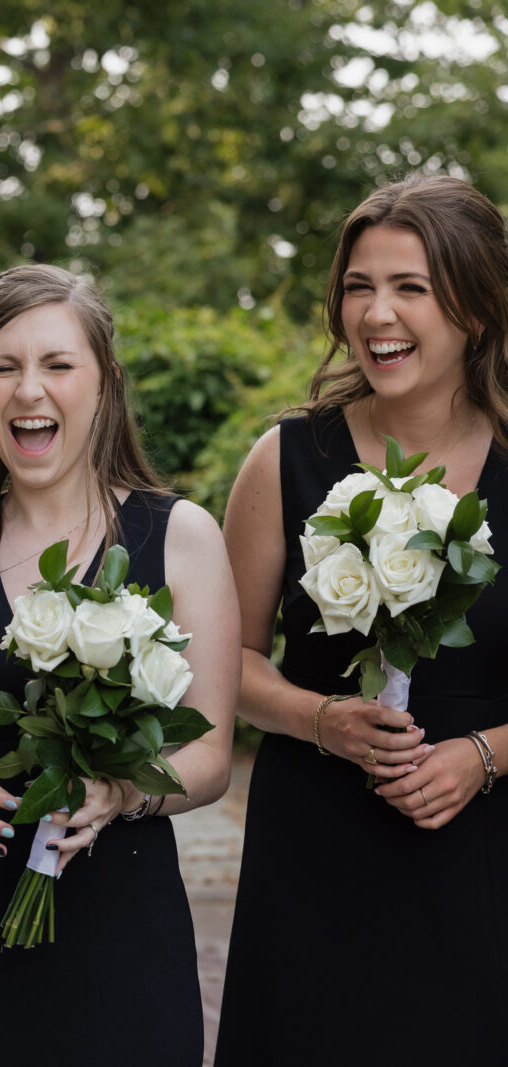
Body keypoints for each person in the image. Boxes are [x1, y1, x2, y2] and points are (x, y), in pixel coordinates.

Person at [0, 264, 239, 1064]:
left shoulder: (179, 535)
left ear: (103, 383)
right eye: (3, 367)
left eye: (57, 365)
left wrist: (123, 792)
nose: (28, 390)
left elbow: (210, 756)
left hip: (116, 928)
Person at [216, 175, 508, 1062]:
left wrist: (485, 754)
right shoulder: (286, 458)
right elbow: (223, 661)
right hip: (315, 853)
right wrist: (319, 719)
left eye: (410, 288)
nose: (376, 313)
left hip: (484, 862)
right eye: (358, 286)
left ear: (478, 305)